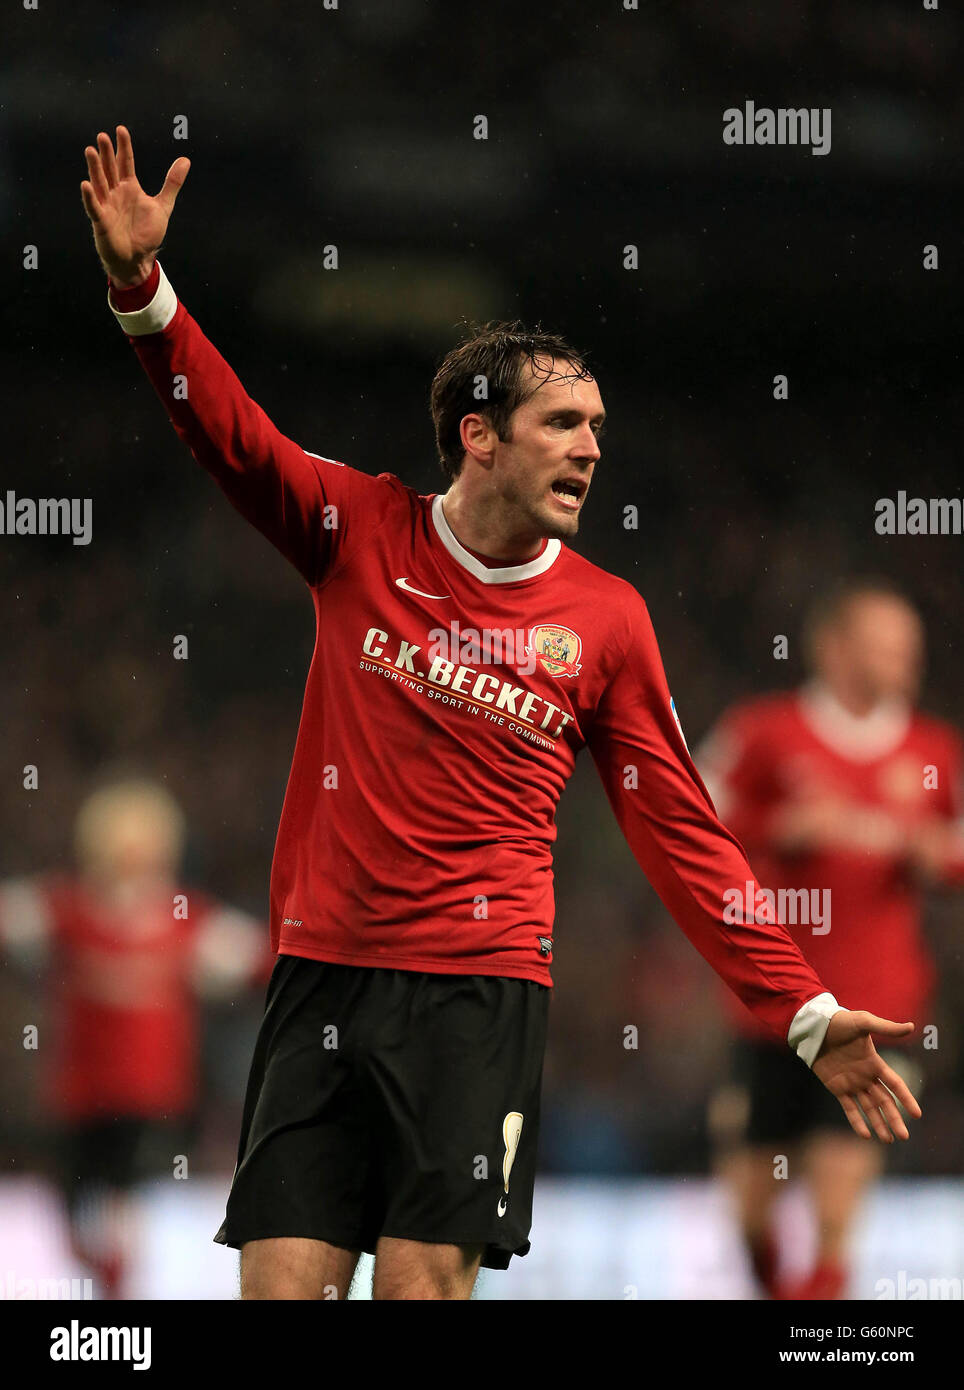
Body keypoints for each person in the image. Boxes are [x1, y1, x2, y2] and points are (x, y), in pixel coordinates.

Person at [79, 126, 921, 1302]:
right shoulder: (355, 531)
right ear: (478, 433)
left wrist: (800, 1005)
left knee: (420, 1287)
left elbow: (682, 832)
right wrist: (141, 288)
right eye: (563, 425)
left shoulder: (609, 621)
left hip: (478, 993)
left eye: (597, 430)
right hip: (321, 976)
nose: (590, 448)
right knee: (278, 1289)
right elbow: (226, 430)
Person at [698, 581, 964, 1299]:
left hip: (879, 1012)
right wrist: (779, 827)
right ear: (835, 648)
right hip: (773, 1011)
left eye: (909, 647)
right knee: (752, 1212)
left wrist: (932, 855)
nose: (907, 660)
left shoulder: (935, 749)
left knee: (837, 1203)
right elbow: (690, 812)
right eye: (888, 645)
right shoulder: (764, 731)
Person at [0, 776, 268, 1298]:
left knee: (120, 1208)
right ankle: (107, 1277)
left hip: (151, 1102)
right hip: (78, 1101)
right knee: (75, 1217)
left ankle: (118, 1299)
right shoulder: (67, 909)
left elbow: (254, 956)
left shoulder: (184, 919)